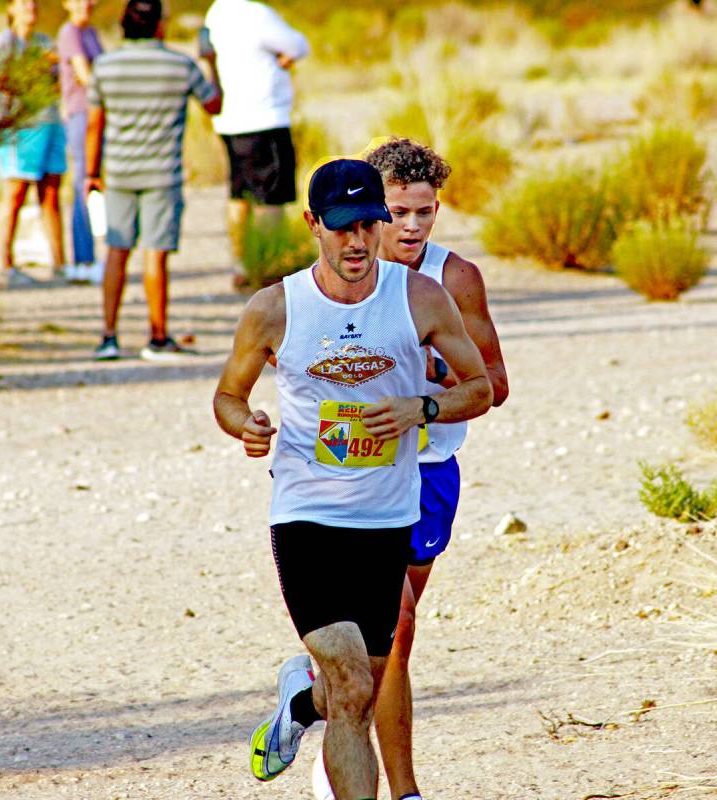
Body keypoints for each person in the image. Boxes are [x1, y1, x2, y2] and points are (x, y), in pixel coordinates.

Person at [213, 159, 494, 800]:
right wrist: (247, 424)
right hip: (306, 512)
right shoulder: (274, 308)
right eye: (341, 228)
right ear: (313, 224)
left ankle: (299, 702)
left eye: (369, 224)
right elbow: (227, 395)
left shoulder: (420, 297)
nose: (357, 241)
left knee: (355, 697)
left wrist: (419, 408)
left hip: (388, 516)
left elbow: (481, 387)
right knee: (349, 676)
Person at [311, 138, 509, 800]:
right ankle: (405, 790)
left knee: (378, 647)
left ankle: (319, 709)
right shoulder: (341, 276)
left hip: (430, 473)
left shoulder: (456, 280)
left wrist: (426, 391)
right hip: (355, 470)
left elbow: (495, 383)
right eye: (398, 212)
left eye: (426, 212)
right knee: (397, 628)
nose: (413, 227)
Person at [85, 0, 222, 361]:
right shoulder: (180, 65)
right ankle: (157, 335)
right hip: (163, 173)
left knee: (116, 250)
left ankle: (108, 336)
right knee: (155, 254)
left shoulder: (105, 66)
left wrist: (90, 172)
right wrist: (212, 62)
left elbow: (94, 124)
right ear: (159, 25)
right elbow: (214, 105)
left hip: (118, 171)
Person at [204, 0, 309, 287]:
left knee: (239, 195)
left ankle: (241, 264)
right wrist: (286, 56)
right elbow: (299, 44)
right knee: (269, 198)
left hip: (229, 120)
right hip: (264, 117)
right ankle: (266, 266)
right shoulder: (257, 14)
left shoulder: (217, 11)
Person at [0, 0, 69, 287]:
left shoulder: (43, 42)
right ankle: (5, 263)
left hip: (50, 120)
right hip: (20, 126)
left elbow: (56, 81)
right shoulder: (5, 43)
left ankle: (59, 264)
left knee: (50, 193)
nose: (31, 7)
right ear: (11, 8)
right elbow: (2, 83)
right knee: (16, 191)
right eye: (24, 2)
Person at [57, 0, 103, 284]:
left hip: (97, 113)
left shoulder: (92, 32)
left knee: (94, 181)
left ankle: (91, 256)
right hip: (81, 114)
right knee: (83, 181)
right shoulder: (69, 32)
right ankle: (82, 259)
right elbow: (85, 75)